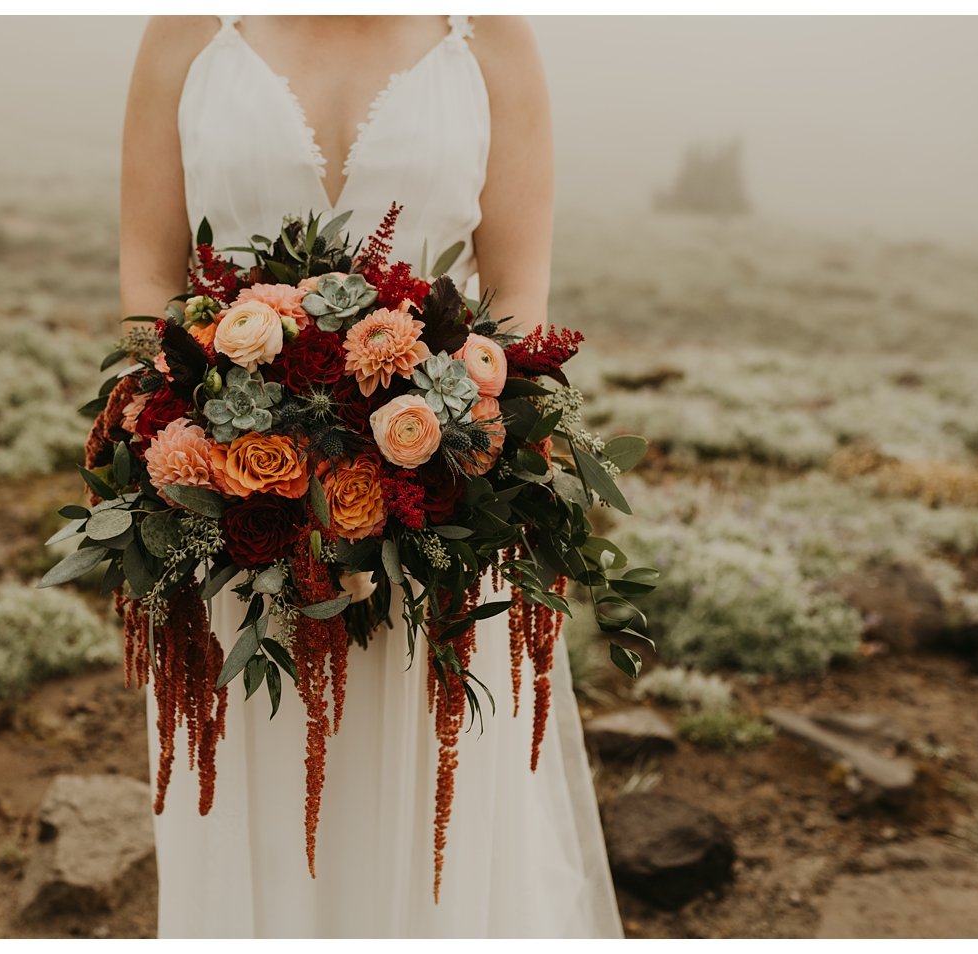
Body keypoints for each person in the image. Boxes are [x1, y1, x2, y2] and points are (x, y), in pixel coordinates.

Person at [116, 14, 621, 937]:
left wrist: (431, 450)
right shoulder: (188, 29)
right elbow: (149, 282)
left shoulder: (488, 40)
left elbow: (515, 304)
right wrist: (215, 439)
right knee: (257, 804)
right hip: (239, 531)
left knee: (432, 819)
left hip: (436, 523)